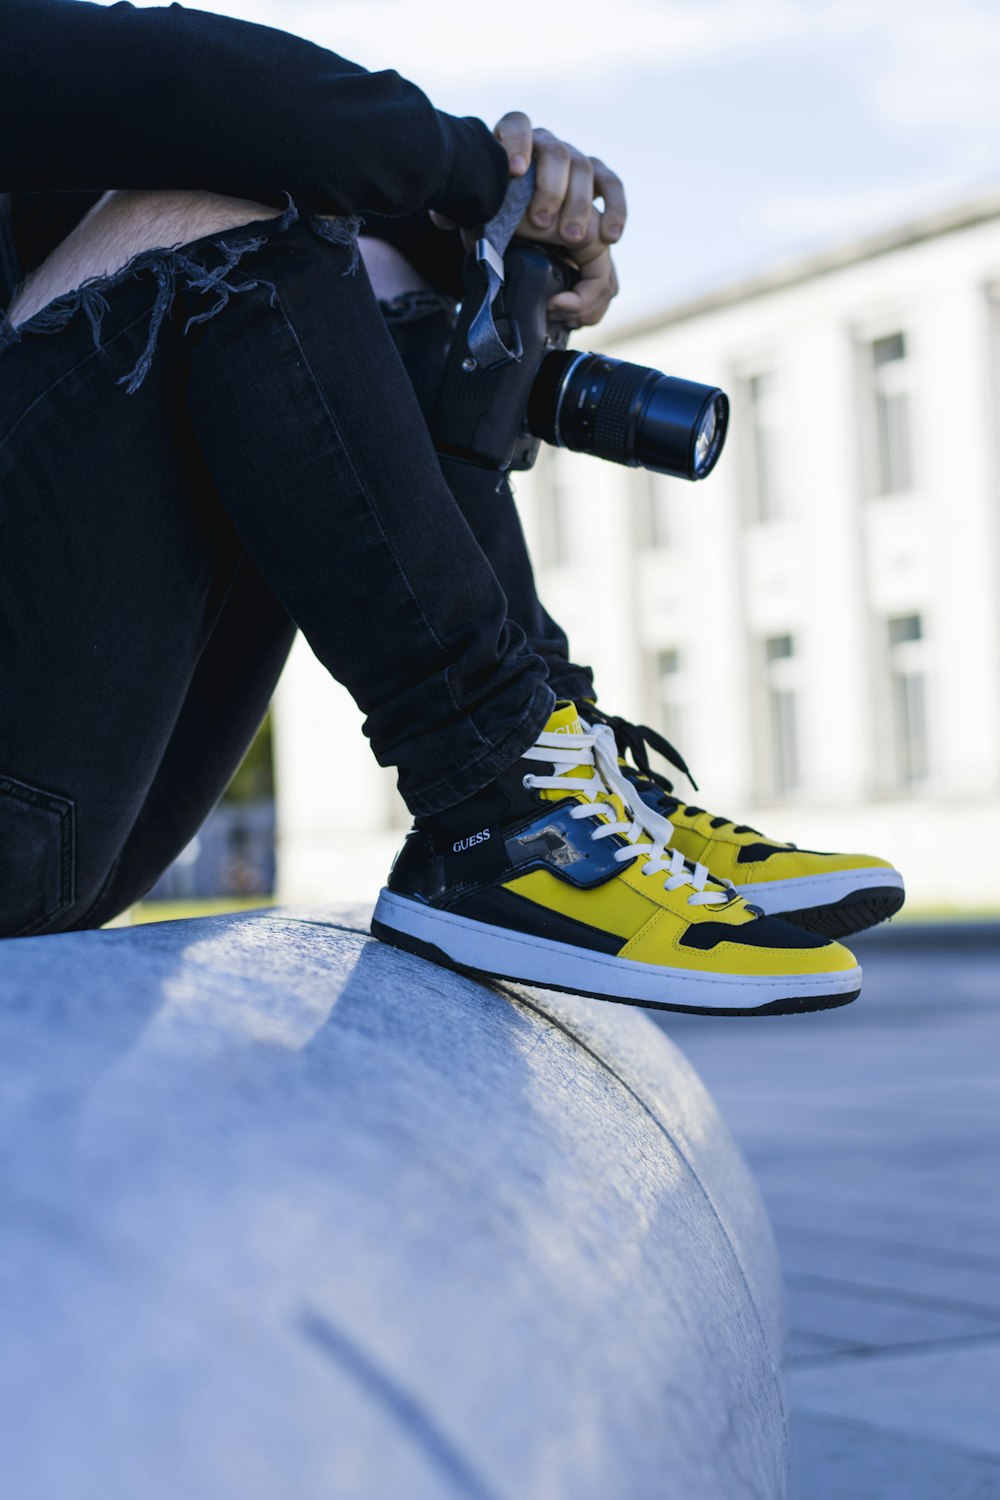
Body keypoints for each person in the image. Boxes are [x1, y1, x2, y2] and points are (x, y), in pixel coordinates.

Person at [0, 0, 903, 1013]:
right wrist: (478, 175)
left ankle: (555, 765)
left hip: (60, 808)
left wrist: (474, 233)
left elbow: (237, 123)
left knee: (365, 253)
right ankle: (496, 802)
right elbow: (178, 84)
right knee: (228, 213)